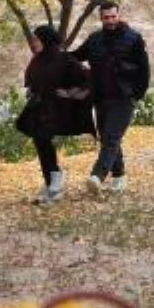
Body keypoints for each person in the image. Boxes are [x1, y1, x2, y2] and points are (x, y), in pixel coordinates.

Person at [79, 0, 150, 198]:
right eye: (106, 17)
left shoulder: (133, 38)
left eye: (113, 16)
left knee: (111, 137)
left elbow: (144, 69)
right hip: (101, 98)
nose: (110, 20)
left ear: (119, 15)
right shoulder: (94, 40)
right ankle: (119, 177)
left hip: (123, 98)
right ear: (100, 18)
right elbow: (77, 55)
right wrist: (58, 54)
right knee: (108, 138)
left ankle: (97, 176)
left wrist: (137, 94)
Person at [17, 23, 95, 204]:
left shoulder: (64, 59)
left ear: (46, 40)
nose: (34, 42)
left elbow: (86, 79)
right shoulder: (37, 60)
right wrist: (31, 90)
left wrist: (69, 93)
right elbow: (33, 81)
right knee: (40, 142)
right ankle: (51, 183)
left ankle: (56, 180)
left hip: (58, 110)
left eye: (37, 39)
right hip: (39, 109)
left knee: (43, 138)